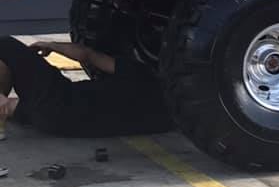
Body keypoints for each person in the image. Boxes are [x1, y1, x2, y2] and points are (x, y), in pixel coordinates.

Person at [0, 37, 172, 137]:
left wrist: (52, 45)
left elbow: (87, 55)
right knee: (12, 106)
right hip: (57, 124)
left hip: (63, 100)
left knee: (6, 44)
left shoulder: (143, 74)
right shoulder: (170, 117)